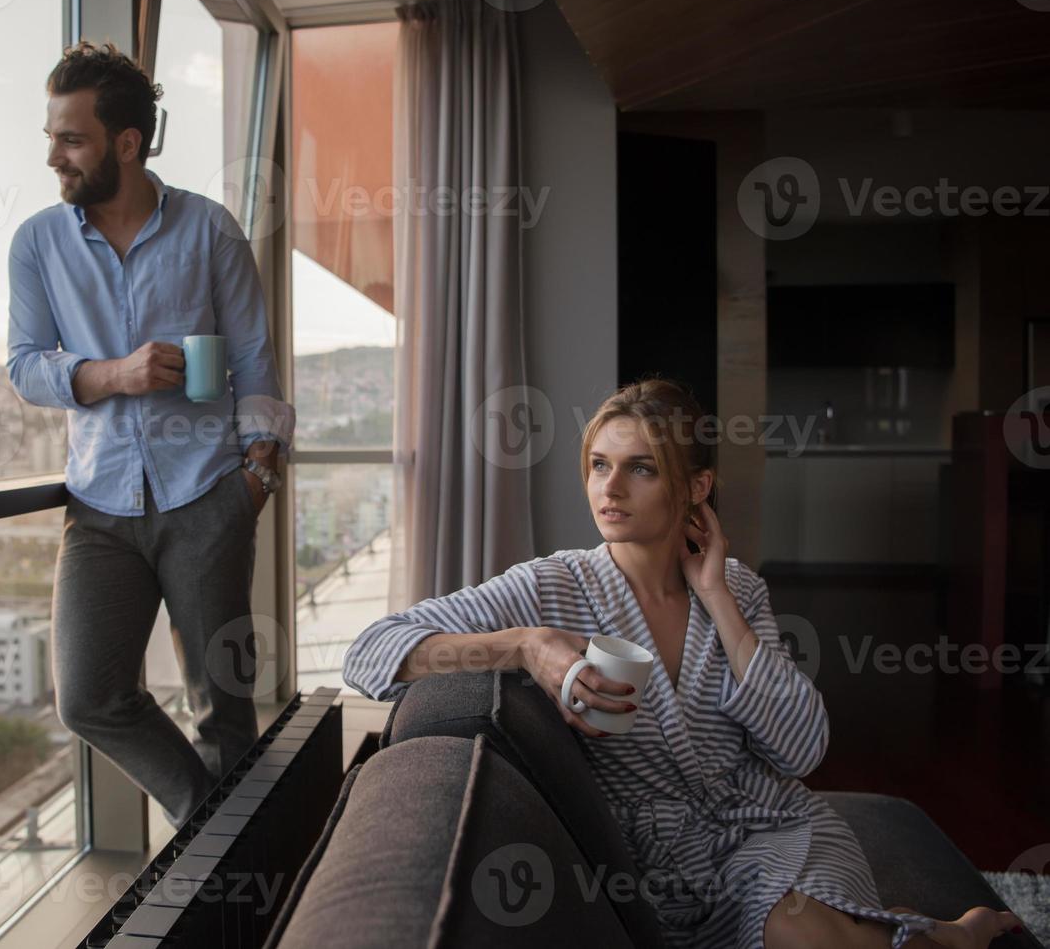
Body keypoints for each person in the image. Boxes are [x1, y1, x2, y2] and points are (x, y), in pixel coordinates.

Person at [343, 379, 1022, 948]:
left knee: (802, 930)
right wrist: (527, 645)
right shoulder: (551, 586)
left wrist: (718, 597)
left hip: (776, 826)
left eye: (640, 467)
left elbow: (801, 749)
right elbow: (369, 651)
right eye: (598, 464)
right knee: (802, 934)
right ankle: (943, 936)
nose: (610, 487)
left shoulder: (738, 589)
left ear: (695, 485)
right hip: (663, 869)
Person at [5, 41, 294, 827]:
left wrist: (254, 481)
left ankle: (234, 886)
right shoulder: (38, 243)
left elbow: (253, 365)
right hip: (98, 509)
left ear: (126, 144)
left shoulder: (209, 230)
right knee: (91, 698)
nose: (54, 157)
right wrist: (114, 374)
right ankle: (220, 833)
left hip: (207, 495)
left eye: (71, 139)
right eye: (52, 138)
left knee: (224, 714)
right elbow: (25, 367)